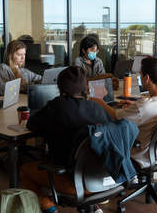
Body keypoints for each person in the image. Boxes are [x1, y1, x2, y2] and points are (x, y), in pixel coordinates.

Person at [20, 66, 112, 213]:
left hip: (74, 182)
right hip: (105, 179)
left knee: (25, 170)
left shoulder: (56, 106)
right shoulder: (97, 107)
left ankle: (50, 208)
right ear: (84, 87)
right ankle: (91, 205)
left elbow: (32, 124)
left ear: (60, 87)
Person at [91, 57, 157, 168]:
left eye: (140, 75)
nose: (140, 78)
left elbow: (115, 116)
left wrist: (100, 102)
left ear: (147, 78)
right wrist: (135, 106)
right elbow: (153, 106)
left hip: (144, 156)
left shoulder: (144, 106)